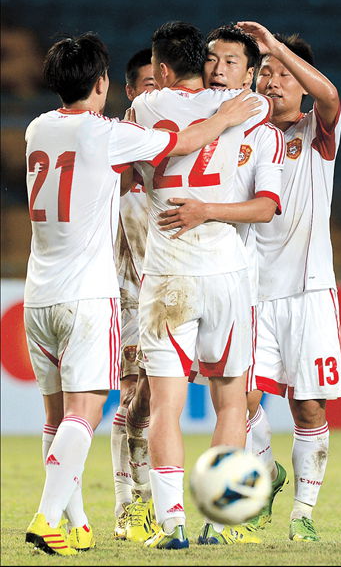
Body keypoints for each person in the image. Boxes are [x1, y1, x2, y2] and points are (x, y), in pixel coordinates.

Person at [23, 31, 253, 556]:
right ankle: (45, 516)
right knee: (84, 411)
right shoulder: (104, 133)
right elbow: (182, 143)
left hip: (38, 293)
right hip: (85, 294)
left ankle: (75, 525)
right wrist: (221, 119)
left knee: (55, 418)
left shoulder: (36, 129)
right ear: (102, 83)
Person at [161, 20, 341, 542]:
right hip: (249, 289)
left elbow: (329, 95)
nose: (272, 81)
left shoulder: (317, 131)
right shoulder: (240, 133)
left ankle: (303, 514)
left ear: (301, 81)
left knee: (308, 406)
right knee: (240, 399)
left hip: (308, 289)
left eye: (284, 73)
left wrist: (275, 47)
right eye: (265, 72)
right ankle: (265, 475)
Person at [128, 20, 277, 550]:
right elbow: (264, 201)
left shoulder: (145, 108)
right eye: (212, 60)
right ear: (201, 62)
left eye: (229, 61)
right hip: (226, 277)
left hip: (170, 274)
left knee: (168, 404)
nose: (219, 69)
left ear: (162, 68)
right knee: (231, 403)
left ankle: (180, 527)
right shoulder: (255, 115)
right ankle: (215, 522)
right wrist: (232, 105)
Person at [111, 48, 157, 542]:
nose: (154, 95)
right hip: (130, 293)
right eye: (146, 86)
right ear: (130, 91)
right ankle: (129, 506)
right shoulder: (119, 144)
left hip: (179, 290)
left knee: (156, 403)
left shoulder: (178, 144)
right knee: (131, 400)